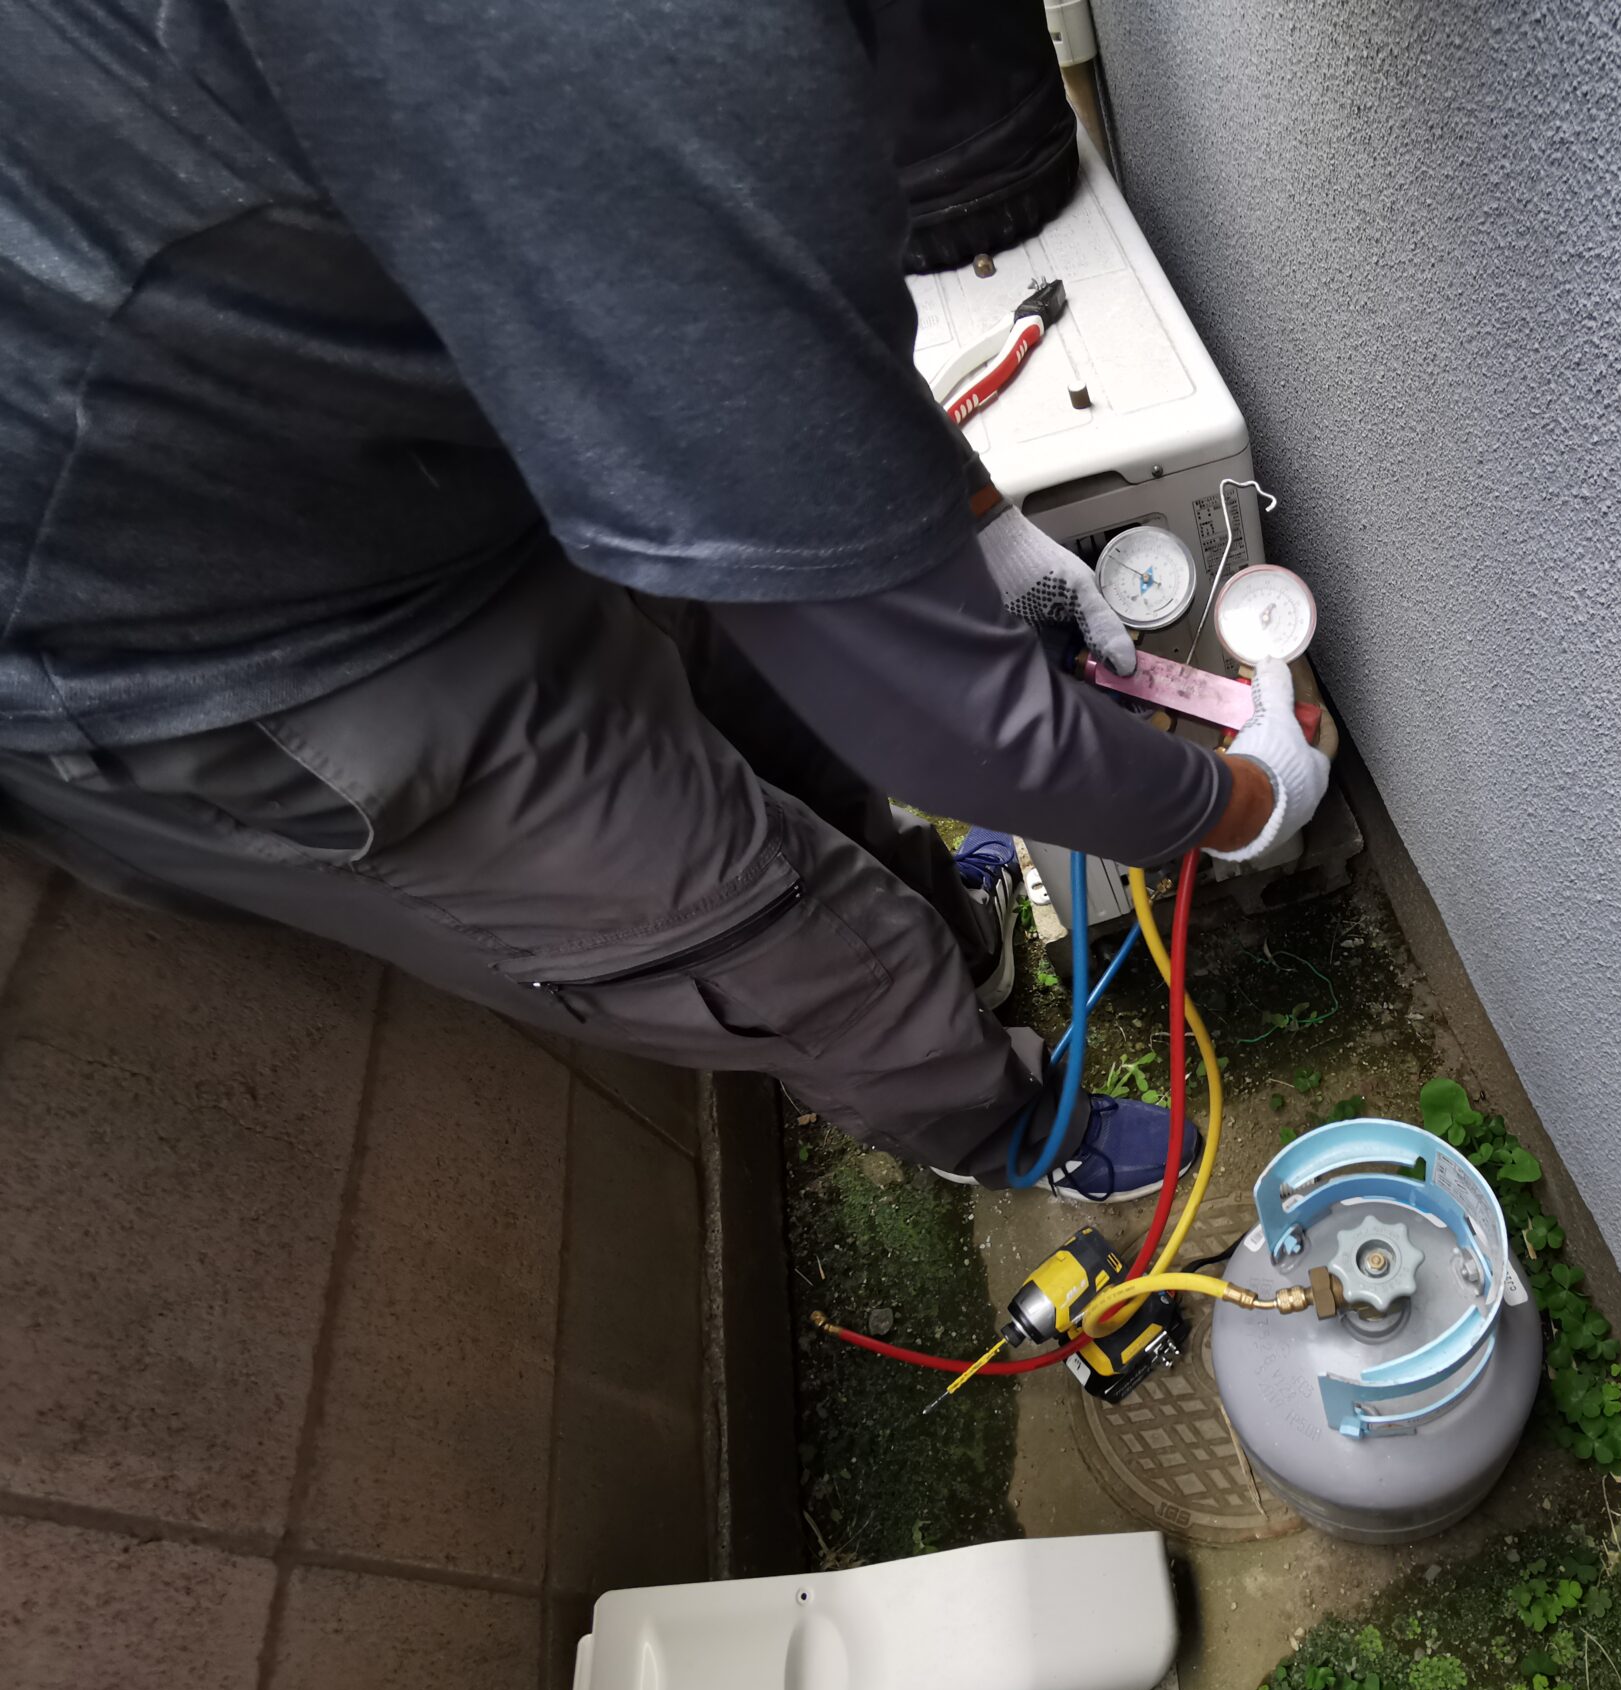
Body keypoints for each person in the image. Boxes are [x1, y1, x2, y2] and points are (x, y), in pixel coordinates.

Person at [0, 0, 1330, 1199]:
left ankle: (960, 940)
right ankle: (1004, 1128)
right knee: (767, 922)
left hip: (399, 434)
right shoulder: (618, 48)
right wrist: (1244, 802)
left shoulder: (634, 79)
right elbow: (965, 734)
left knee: (782, 717)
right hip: (205, 637)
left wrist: (977, 523)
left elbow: (767, 331)